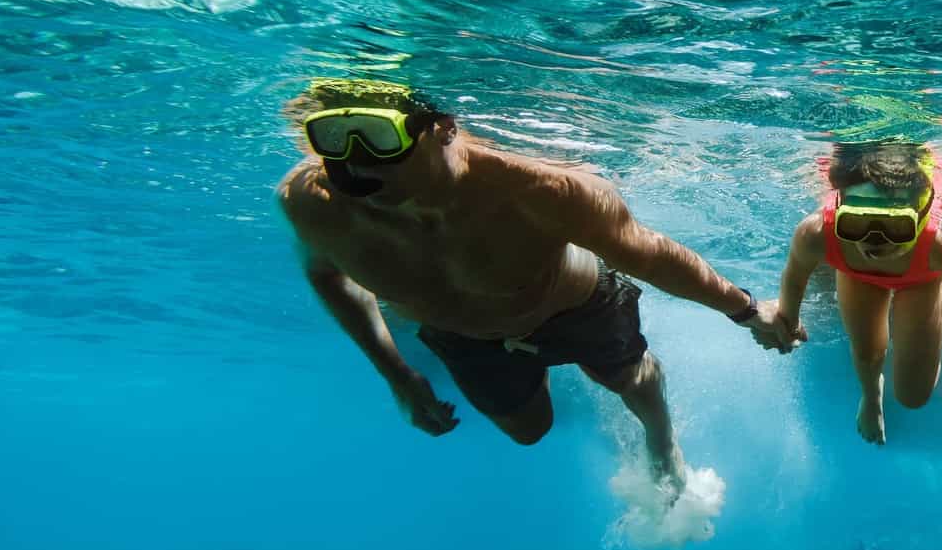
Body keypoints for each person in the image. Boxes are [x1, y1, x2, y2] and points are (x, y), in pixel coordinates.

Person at [276, 79, 801, 492]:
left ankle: (662, 442)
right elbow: (327, 276)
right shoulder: (312, 204)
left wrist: (747, 310)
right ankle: (542, 369)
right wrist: (400, 376)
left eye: (380, 136)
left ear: (443, 126)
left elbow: (649, 254)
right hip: (463, 337)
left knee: (632, 382)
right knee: (529, 433)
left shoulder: (542, 189)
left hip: (577, 305)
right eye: (333, 135)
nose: (352, 162)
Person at [770, 141, 942, 445]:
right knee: (867, 354)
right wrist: (788, 320)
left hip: (922, 278)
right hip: (857, 276)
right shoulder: (815, 233)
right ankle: (871, 396)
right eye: (856, 223)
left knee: (913, 396)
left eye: (895, 228)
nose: (873, 241)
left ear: (919, 219)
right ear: (840, 212)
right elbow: (794, 278)